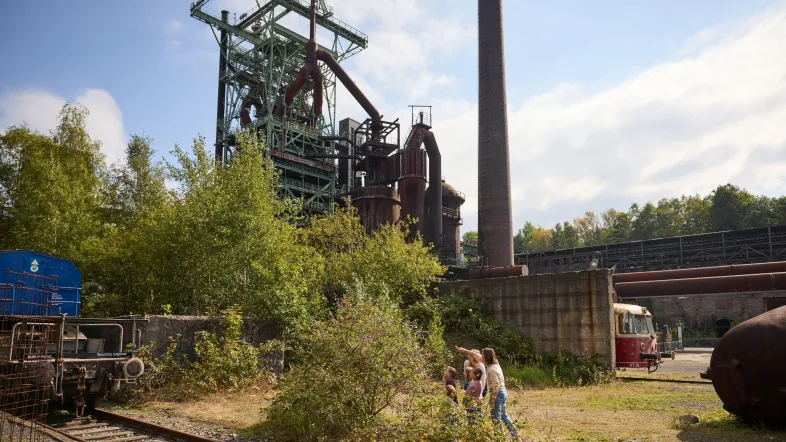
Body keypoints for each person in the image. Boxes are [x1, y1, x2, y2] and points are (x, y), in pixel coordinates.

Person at [481, 347, 519, 439]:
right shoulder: (496, 364)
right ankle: (515, 436)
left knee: (495, 418)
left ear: (486, 357)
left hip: (497, 392)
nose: (481, 357)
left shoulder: (491, 369)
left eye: (482, 355)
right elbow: (477, 357)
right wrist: (466, 351)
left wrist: (493, 401)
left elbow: (495, 385)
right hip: (503, 391)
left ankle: (500, 438)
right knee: (504, 415)